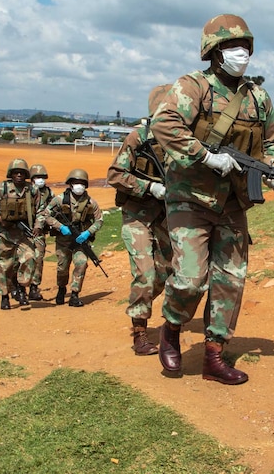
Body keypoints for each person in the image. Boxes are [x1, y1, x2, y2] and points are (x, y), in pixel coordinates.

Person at [150, 13, 274, 385]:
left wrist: (270, 167)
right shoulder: (194, 87)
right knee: (191, 279)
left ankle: (214, 355)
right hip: (190, 199)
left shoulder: (258, 97)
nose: (240, 53)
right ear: (213, 51)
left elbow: (273, 141)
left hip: (232, 203)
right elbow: (164, 123)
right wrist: (205, 155)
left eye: (244, 46)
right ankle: (172, 327)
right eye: (230, 46)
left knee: (230, 280)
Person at [107, 84, 174, 355]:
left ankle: (143, 307)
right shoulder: (139, 138)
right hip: (138, 214)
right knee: (145, 273)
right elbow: (114, 174)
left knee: (168, 271)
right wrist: (149, 187)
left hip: (166, 215)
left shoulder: (185, 141)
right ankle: (139, 330)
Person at [39, 169, 103, 307]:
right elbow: (46, 214)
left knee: (81, 263)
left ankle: (74, 294)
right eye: (76, 182)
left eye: (81, 183)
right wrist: (59, 226)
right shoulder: (59, 199)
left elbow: (99, 221)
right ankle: (61, 289)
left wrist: (88, 232)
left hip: (80, 240)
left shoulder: (91, 202)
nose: (78, 185)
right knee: (62, 267)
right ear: (70, 184)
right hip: (63, 240)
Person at [0, 158, 38, 310]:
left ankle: (21, 286)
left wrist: (38, 225)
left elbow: (40, 210)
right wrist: (0, 219)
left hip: (23, 234)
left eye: (22, 172)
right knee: (4, 267)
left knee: (30, 258)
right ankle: (4, 296)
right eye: (16, 172)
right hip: (5, 234)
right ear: (11, 175)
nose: (19, 175)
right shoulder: (2, 189)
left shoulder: (31, 190)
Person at [29, 164, 54, 301]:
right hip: (22, 232)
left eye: (43, 177)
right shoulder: (26, 191)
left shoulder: (49, 193)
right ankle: (18, 287)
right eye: (38, 177)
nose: (41, 180)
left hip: (39, 232)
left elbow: (54, 209)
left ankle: (34, 287)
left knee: (38, 260)